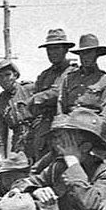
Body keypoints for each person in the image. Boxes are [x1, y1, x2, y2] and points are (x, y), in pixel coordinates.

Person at [57, 33, 106, 137]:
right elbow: (61, 104)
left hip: (92, 130)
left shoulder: (104, 80)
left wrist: (94, 129)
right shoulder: (69, 78)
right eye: (83, 53)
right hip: (69, 128)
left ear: (96, 55)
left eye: (89, 53)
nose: (86, 57)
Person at [29, 28, 75, 161]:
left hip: (66, 126)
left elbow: (60, 93)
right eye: (49, 49)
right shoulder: (44, 76)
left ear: (65, 50)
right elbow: (34, 108)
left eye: (56, 48)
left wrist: (39, 98)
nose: (52, 52)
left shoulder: (73, 73)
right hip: (45, 128)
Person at [0, 58, 34, 160]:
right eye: (1, 76)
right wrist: (2, 157)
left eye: (7, 75)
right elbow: (0, 135)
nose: (4, 79)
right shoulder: (0, 102)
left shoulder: (30, 89)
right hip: (18, 144)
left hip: (37, 137)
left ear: (15, 75)